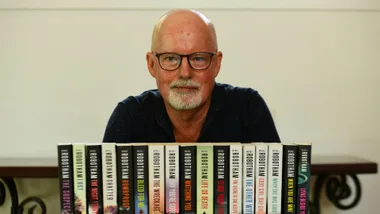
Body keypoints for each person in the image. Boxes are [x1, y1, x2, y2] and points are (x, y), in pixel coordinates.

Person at [102, 9, 280, 143]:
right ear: (151, 64)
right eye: (171, 58)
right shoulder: (130, 115)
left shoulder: (247, 110)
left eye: (199, 58)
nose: (185, 73)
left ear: (217, 63)